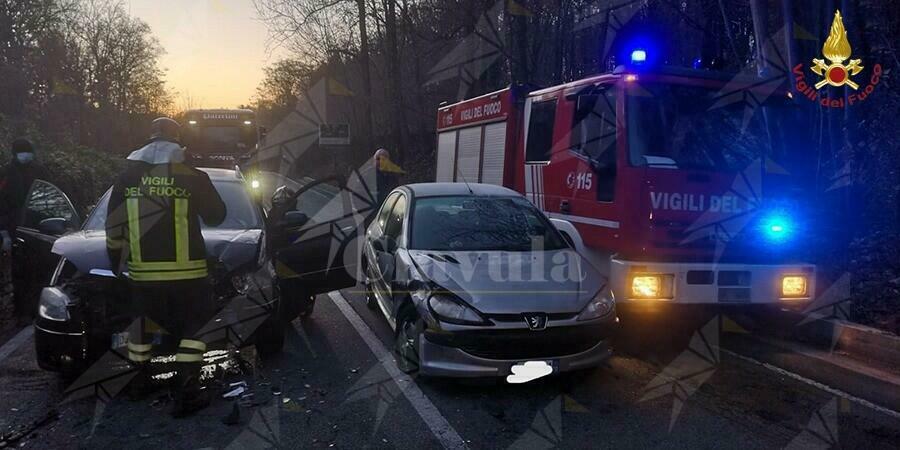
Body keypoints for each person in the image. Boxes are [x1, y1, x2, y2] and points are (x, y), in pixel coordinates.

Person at [105, 117, 226, 417]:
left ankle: (138, 382)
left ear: (149, 141)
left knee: (142, 330)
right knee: (193, 330)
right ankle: (186, 391)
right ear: (177, 142)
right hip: (190, 276)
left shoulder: (126, 179)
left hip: (143, 277)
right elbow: (216, 216)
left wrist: (115, 265)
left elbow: (112, 228)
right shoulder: (191, 176)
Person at [0, 138, 50, 320]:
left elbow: (49, 197)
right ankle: (22, 314)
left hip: (39, 230)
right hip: (16, 231)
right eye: (22, 152)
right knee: (20, 274)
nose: (25, 155)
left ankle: (39, 311)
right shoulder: (6, 173)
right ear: (15, 154)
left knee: (40, 272)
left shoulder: (40, 171)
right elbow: (2, 204)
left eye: (27, 151)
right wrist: (4, 233)